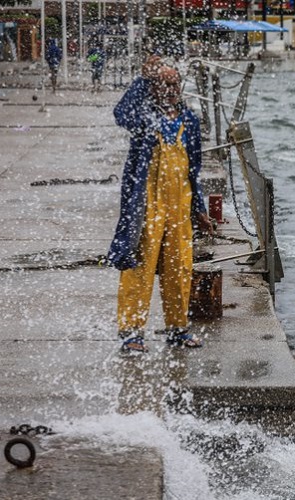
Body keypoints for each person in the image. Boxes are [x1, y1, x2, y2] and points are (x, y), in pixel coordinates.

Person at [108, 55, 213, 353]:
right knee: (139, 268)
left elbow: (194, 170)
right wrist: (142, 81)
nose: (171, 89)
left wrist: (200, 210)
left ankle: (178, 329)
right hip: (148, 206)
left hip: (179, 206)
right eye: (165, 83)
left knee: (179, 268)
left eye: (175, 83)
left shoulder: (189, 121)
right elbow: (120, 113)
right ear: (154, 87)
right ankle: (131, 334)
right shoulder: (143, 118)